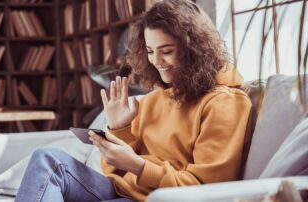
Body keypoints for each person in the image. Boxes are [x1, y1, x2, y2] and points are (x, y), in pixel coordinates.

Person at [15, 0, 252, 201]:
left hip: (159, 198)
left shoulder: (225, 103)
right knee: (47, 159)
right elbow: (114, 173)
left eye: (166, 50)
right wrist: (120, 129)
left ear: (195, 48)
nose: (156, 60)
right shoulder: (154, 99)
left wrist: (138, 166)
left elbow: (208, 191)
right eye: (150, 51)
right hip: (121, 191)